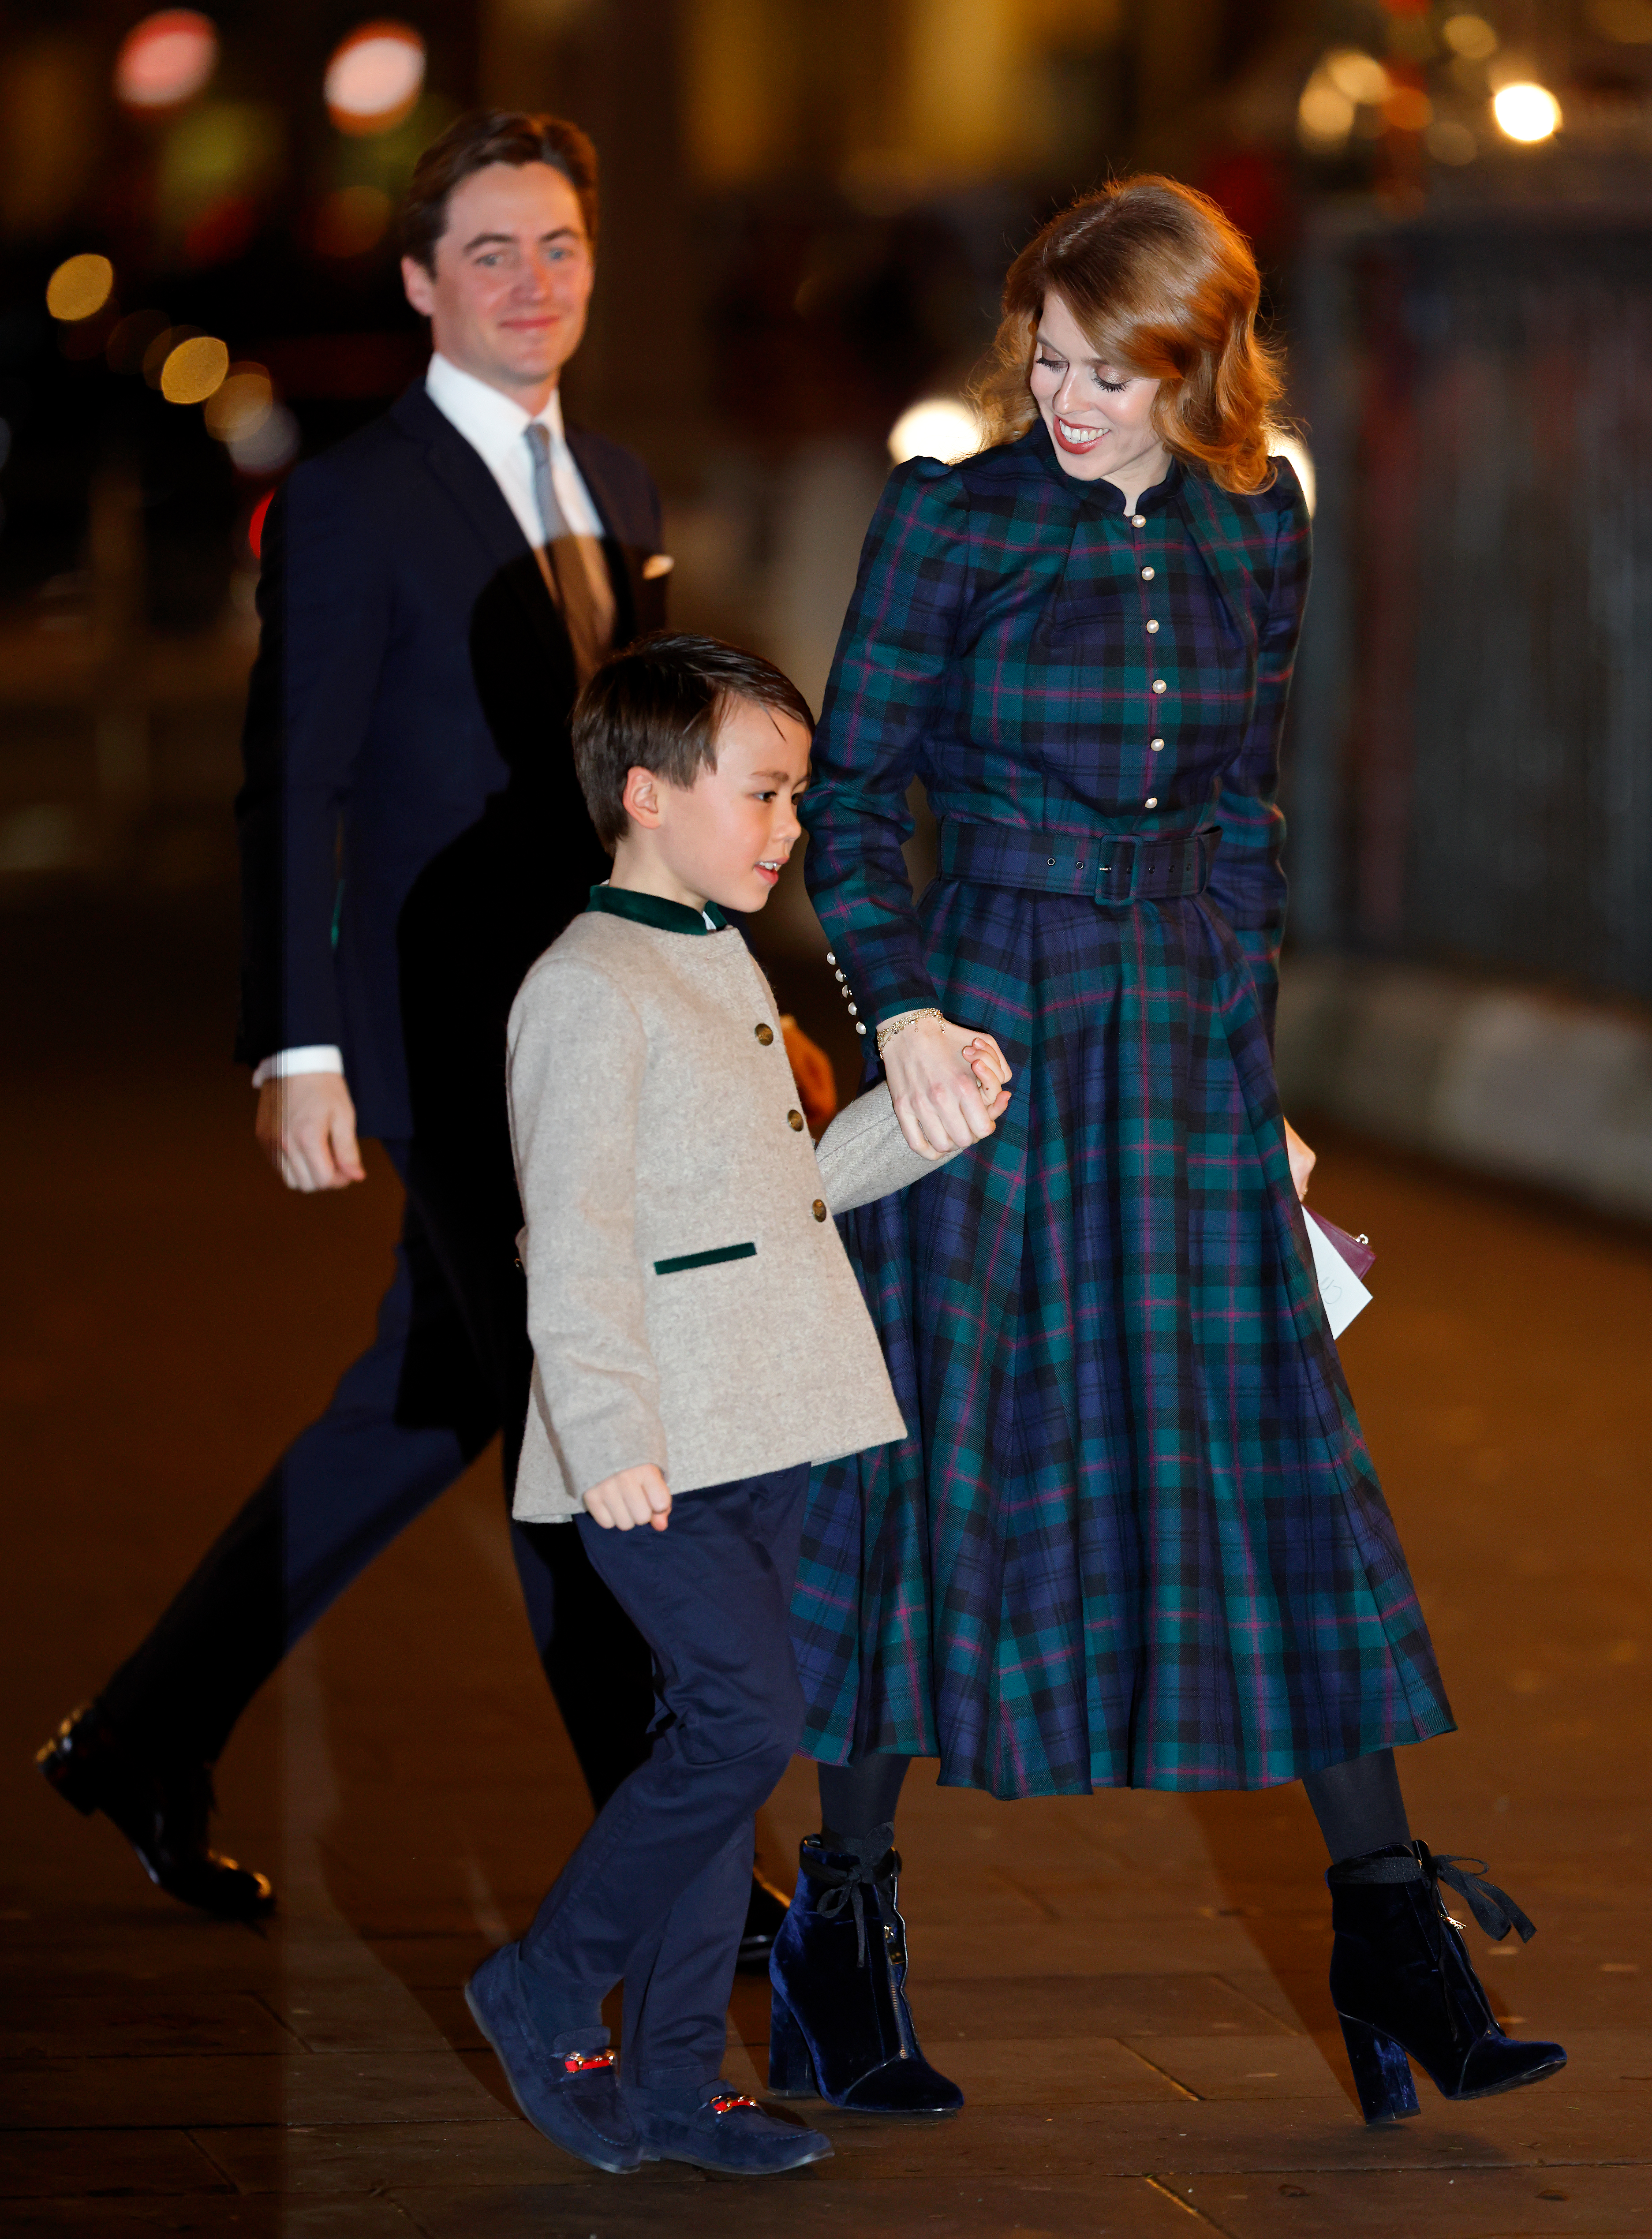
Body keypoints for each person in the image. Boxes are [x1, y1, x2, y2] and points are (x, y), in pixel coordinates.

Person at [768, 177, 1566, 2127]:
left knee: (1278, 1469)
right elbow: (852, 803)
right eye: (1045, 360)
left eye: (1108, 373)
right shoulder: (952, 516)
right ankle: (839, 1939)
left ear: (1195, 362)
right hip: (988, 1039)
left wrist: (1253, 1074)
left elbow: (1248, 820)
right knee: (934, 1480)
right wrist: (904, 1022)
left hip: (1180, 1047)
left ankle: (1389, 1931)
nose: (1066, 402)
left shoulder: (1256, 518)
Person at [35, 112, 795, 1959]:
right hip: (444, 1035)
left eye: (556, 249)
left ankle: (140, 1734)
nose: (529, 284)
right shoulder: (361, 498)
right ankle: (682, 1862)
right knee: (573, 1406)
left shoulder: (614, 475)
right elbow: (288, 779)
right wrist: (294, 1044)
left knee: (424, 1401)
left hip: (594, 1025)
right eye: (487, 254)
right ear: (417, 281)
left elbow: (651, 788)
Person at [466, 632, 1006, 2177]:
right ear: (645, 794)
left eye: (798, 798)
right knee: (744, 1720)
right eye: (764, 793)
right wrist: (608, 1429)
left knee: (711, 1740)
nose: (790, 828)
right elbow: (568, 1238)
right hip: (654, 1446)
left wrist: (927, 1121)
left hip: (760, 1423)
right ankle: (546, 1981)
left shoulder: (717, 957)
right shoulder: (585, 987)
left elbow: (783, 1201)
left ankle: (672, 2090)